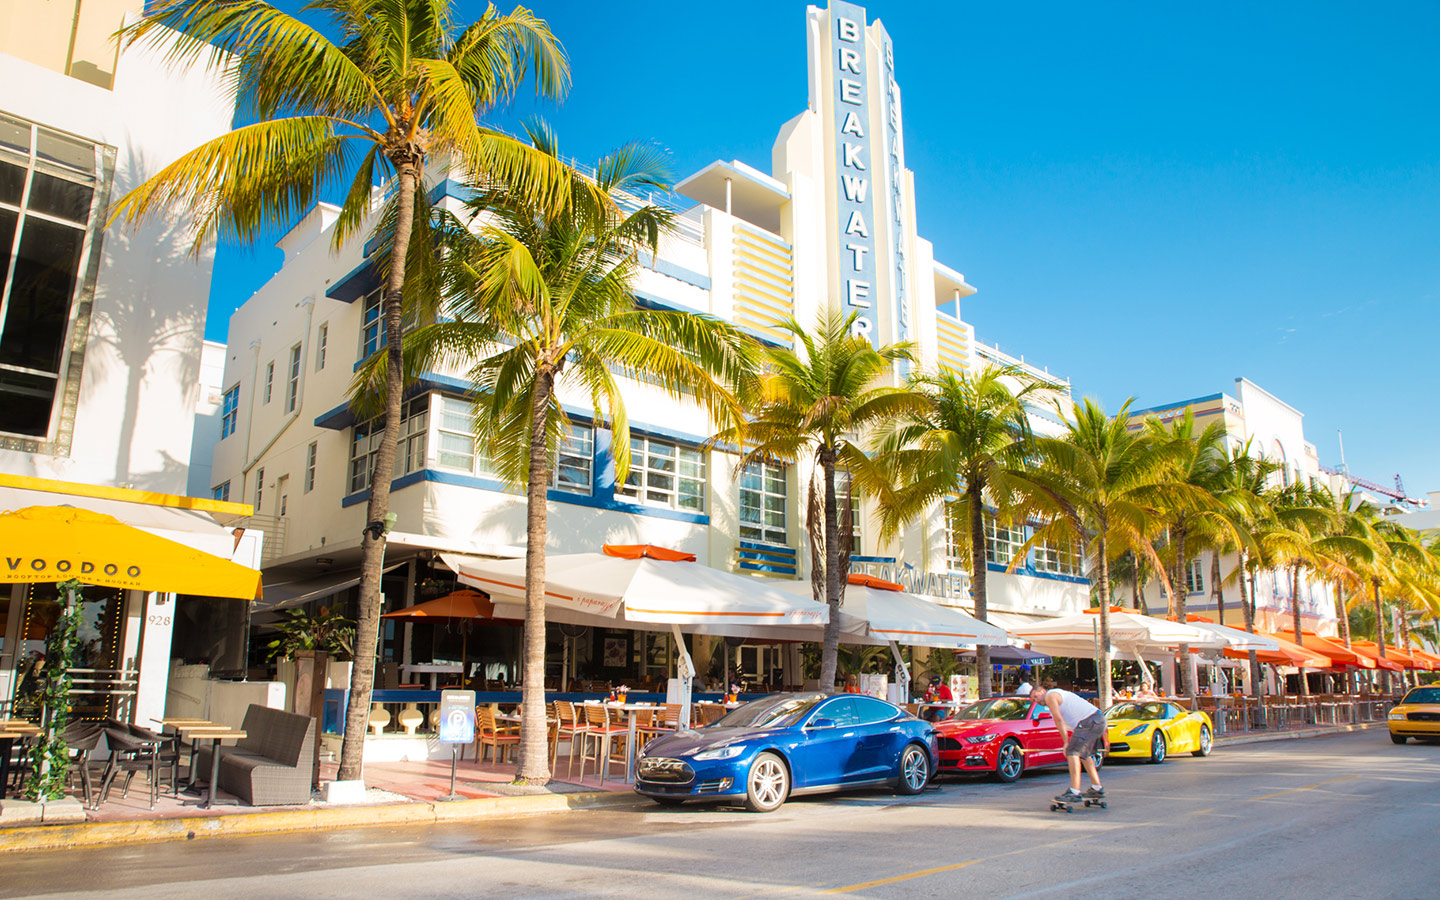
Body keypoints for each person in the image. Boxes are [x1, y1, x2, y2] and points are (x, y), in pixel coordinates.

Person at [1029, 684, 1105, 805]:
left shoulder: (1050, 696)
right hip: (1097, 719)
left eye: (1036, 696)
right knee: (1084, 754)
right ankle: (1097, 788)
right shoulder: (1059, 694)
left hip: (1089, 721)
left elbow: (1058, 719)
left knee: (1072, 752)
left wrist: (1065, 742)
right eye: (1033, 700)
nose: (1036, 700)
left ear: (1042, 690)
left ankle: (1074, 792)